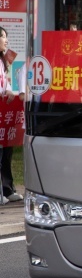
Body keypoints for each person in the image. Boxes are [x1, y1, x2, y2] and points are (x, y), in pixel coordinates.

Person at [0, 27, 21, 204]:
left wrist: (7, 90)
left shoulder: (3, 61)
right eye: (3, 37)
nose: (6, 40)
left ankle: (7, 189)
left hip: (4, 111)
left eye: (6, 37)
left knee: (7, 149)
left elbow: (4, 83)